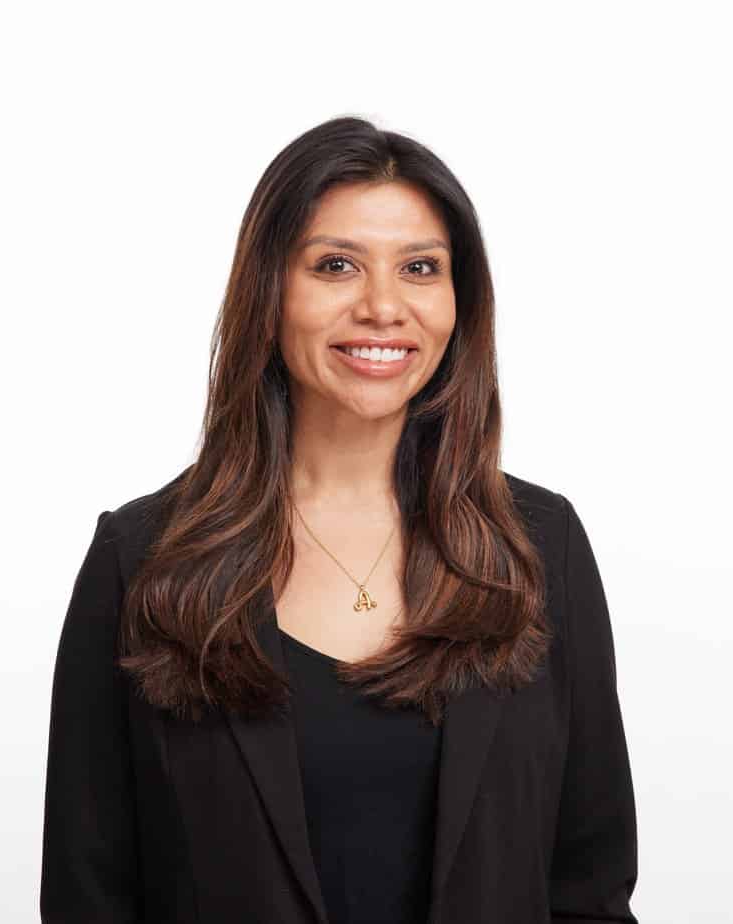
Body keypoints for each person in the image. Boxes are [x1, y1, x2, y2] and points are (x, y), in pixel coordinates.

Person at [40, 115, 640, 924]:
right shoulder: (141, 557)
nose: (383, 306)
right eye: (336, 266)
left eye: (420, 268)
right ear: (269, 291)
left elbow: (589, 890)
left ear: (459, 302)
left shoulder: (537, 546)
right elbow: (90, 899)